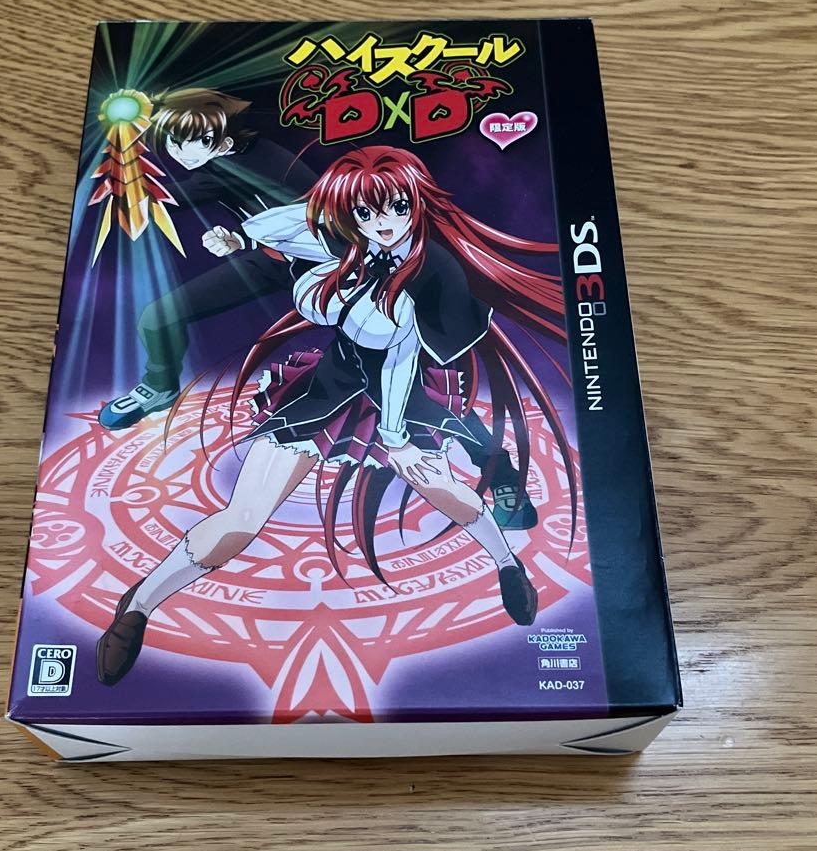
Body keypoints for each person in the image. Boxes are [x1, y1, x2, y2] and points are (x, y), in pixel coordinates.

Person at [96, 146, 574, 685]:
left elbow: (400, 360)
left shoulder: (432, 272)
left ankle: (508, 564)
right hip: (333, 381)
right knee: (244, 517)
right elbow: (295, 224)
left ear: (415, 202)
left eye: (396, 208)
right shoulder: (348, 240)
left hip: (400, 391)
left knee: (443, 488)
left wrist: (396, 437)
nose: (383, 223)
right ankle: (139, 606)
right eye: (367, 213)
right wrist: (245, 240)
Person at [97, 88, 539, 528]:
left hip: (345, 267)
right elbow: (195, 200)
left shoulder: (263, 160)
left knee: (408, 386)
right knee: (158, 317)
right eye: (173, 142)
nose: (179, 152)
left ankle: (501, 473)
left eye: (192, 140)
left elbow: (318, 220)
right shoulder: (220, 165)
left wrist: (244, 237)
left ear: (224, 138)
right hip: (278, 260)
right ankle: (159, 386)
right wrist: (242, 240)